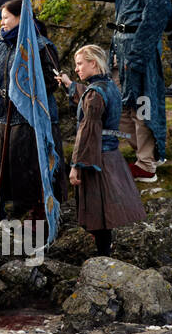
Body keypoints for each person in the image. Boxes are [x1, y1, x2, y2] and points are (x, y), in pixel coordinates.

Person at [46, 0, 171, 183]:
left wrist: (136, 58)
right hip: (119, 48)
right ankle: (144, 155)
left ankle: (148, 165)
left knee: (143, 105)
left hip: (140, 51)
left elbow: (154, 22)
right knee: (121, 105)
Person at [0, 0, 65, 224]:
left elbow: (51, 82)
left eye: (6, 18)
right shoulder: (0, 46)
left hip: (29, 119)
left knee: (31, 170)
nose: (2, 23)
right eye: (1, 18)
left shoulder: (40, 45)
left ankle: (39, 217)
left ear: (20, 18)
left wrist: (22, 90)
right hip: (1, 117)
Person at [57, 45, 147, 254]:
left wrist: (75, 166)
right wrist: (70, 84)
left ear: (93, 63)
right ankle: (104, 254)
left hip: (97, 158)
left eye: (80, 64)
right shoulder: (109, 86)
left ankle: (103, 258)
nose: (77, 68)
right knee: (102, 214)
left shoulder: (95, 94)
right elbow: (88, 97)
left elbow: (87, 131)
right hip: (110, 154)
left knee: (99, 214)